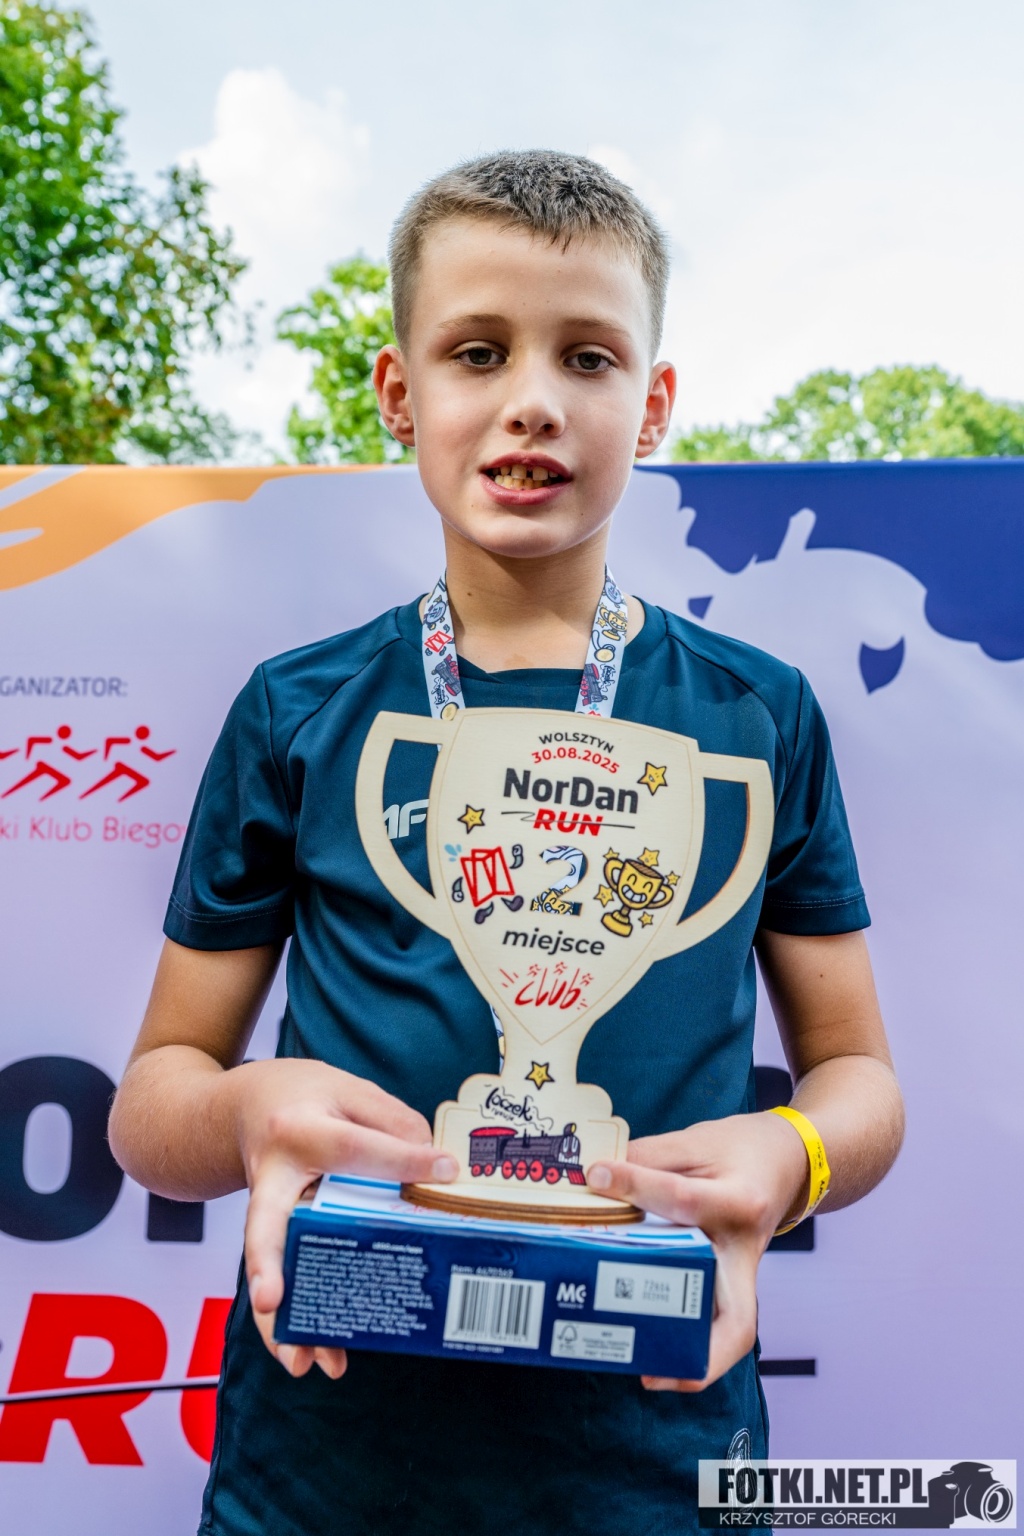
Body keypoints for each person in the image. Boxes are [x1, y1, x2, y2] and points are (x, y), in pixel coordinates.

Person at [109, 150, 904, 1536]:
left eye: (587, 357)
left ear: (651, 403)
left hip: (659, 1466)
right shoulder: (302, 709)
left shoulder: (755, 716)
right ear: (400, 393)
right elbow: (151, 1102)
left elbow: (860, 1080)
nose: (532, 399)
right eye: (478, 351)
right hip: (324, 1470)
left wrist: (795, 1157)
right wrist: (240, 1112)